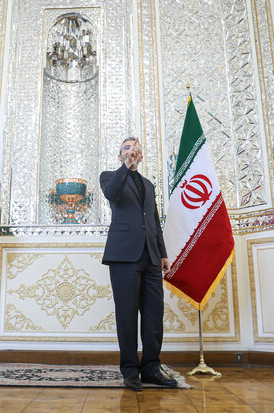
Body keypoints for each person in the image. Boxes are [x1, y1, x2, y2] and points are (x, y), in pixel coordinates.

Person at [100, 137, 177, 391]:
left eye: (136, 149)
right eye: (127, 148)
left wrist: (163, 253)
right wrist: (125, 165)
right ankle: (130, 369)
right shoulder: (110, 177)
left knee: (154, 316)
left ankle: (152, 368)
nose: (133, 151)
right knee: (127, 314)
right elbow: (112, 194)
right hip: (123, 256)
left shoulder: (148, 185)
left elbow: (154, 221)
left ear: (142, 156)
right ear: (119, 154)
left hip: (152, 258)